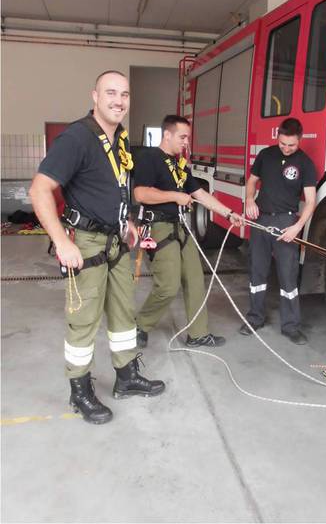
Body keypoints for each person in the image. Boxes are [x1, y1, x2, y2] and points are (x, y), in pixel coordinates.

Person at [29, 70, 165, 425]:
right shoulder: (77, 138)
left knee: (123, 313)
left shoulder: (119, 139)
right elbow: (39, 190)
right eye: (111, 93)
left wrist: (128, 222)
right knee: (84, 320)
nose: (119, 101)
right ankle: (80, 390)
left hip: (116, 240)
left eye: (124, 94)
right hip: (86, 243)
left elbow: (115, 188)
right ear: (95, 96)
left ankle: (126, 376)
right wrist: (62, 242)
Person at [134, 115, 242, 348]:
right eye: (182, 137)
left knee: (195, 280)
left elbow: (199, 194)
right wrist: (175, 196)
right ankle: (140, 325)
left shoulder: (180, 165)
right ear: (167, 135)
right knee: (168, 285)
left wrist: (228, 213)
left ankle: (198, 334)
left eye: (188, 138)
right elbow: (140, 194)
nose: (186, 142)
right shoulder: (149, 158)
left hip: (181, 227)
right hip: (159, 227)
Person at [241, 118, 316, 344]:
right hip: (261, 219)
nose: (286, 148)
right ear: (278, 137)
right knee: (257, 271)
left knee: (288, 275)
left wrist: (297, 227)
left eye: (291, 145)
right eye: (283, 143)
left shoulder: (305, 163)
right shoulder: (266, 155)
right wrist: (249, 200)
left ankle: (291, 326)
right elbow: (251, 182)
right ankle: (255, 318)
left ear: (299, 140)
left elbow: (311, 201)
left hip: (286, 222)